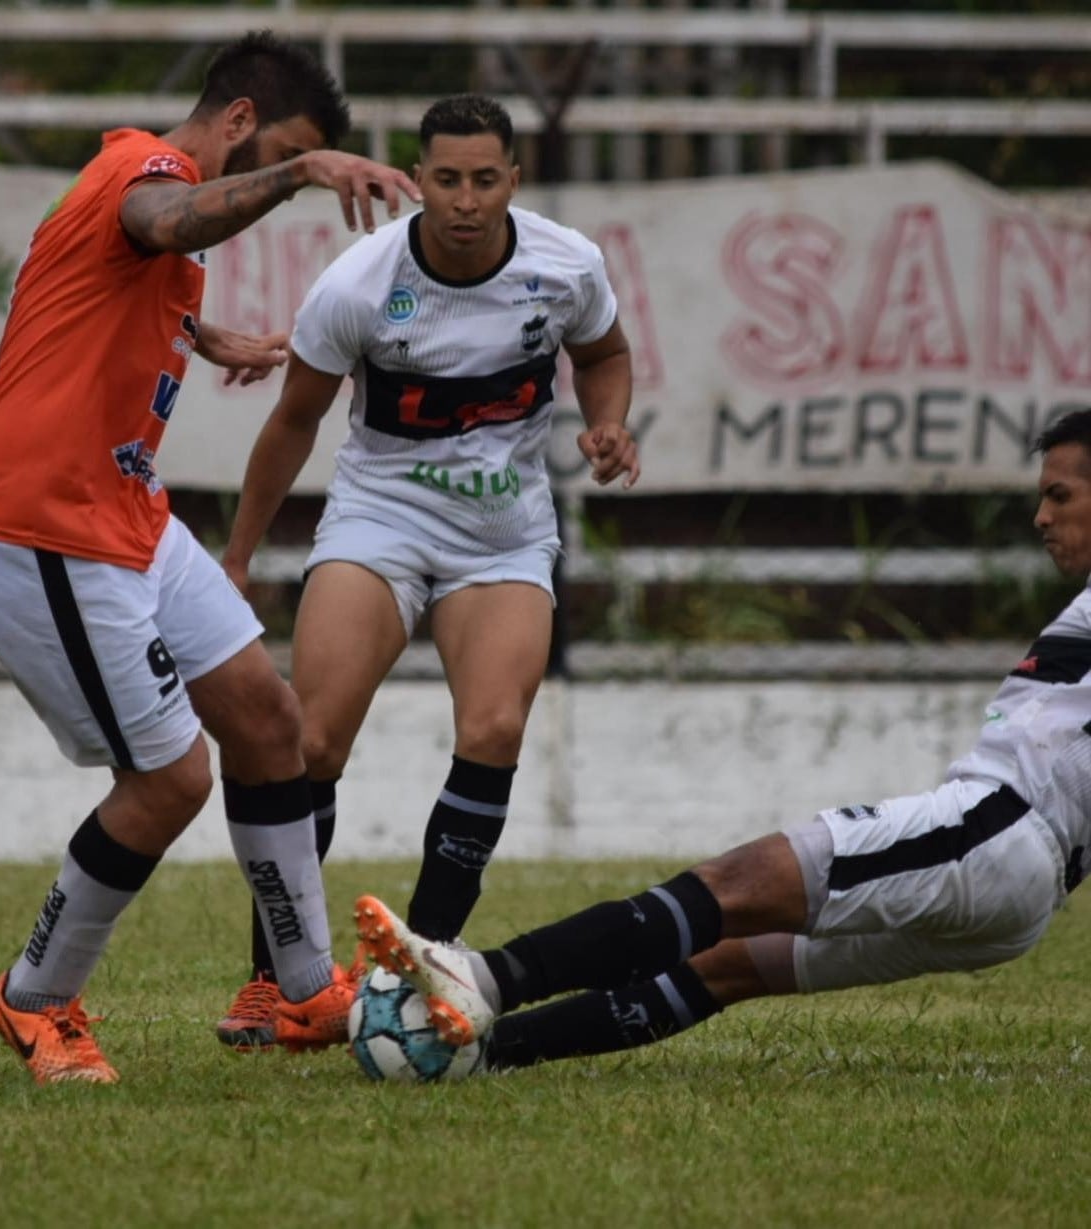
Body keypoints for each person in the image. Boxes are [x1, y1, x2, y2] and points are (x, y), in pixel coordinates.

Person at [0, 31, 420, 1085]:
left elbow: (113, 277)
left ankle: (302, 992)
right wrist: (301, 174)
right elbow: (156, 221)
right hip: (41, 527)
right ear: (241, 122)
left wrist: (208, 338)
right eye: (280, 152)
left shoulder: (158, 211)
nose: (283, 178)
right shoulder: (145, 171)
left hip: (125, 516)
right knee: (168, 779)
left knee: (267, 719)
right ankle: (34, 999)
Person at [352, 408, 1091, 1070]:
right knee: (730, 962)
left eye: (1058, 495)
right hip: (1025, 893)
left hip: (993, 832)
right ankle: (480, 1051)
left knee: (731, 886)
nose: (1038, 516)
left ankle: (483, 979)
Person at [215, 93, 640, 1050]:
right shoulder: (358, 285)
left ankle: (424, 964)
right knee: (312, 742)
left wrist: (609, 421)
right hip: (380, 521)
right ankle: (274, 982)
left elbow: (604, 354)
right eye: (444, 179)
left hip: (503, 535)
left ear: (512, 182)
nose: (463, 199)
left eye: (484, 179)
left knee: (493, 725)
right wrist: (237, 556)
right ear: (418, 179)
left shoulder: (564, 264)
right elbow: (293, 422)